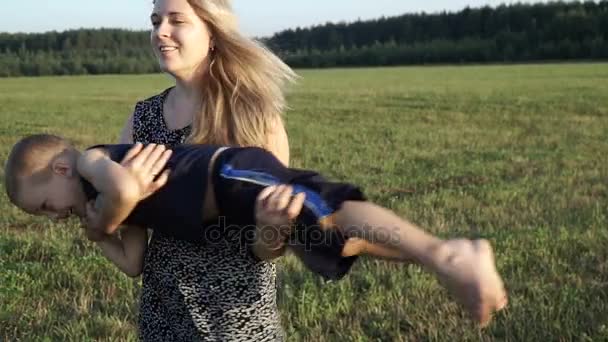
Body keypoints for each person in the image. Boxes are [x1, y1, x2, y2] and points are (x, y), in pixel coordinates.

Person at [5, 133, 508, 328]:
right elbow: (135, 262)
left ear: (62, 169)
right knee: (323, 239)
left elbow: (126, 192)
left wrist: (109, 218)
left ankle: (447, 254)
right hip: (235, 207)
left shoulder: (93, 163)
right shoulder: (93, 200)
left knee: (323, 209)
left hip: (227, 176)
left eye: (46, 204)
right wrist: (102, 239)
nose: (53, 217)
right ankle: (438, 257)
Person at [119, 0, 297, 339]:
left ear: (212, 33)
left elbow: (266, 248)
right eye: (155, 21)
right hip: (163, 318)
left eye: (176, 21)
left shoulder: (252, 115)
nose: (161, 32)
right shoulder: (141, 119)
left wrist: (275, 229)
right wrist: (114, 207)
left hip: (236, 323)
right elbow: (132, 250)